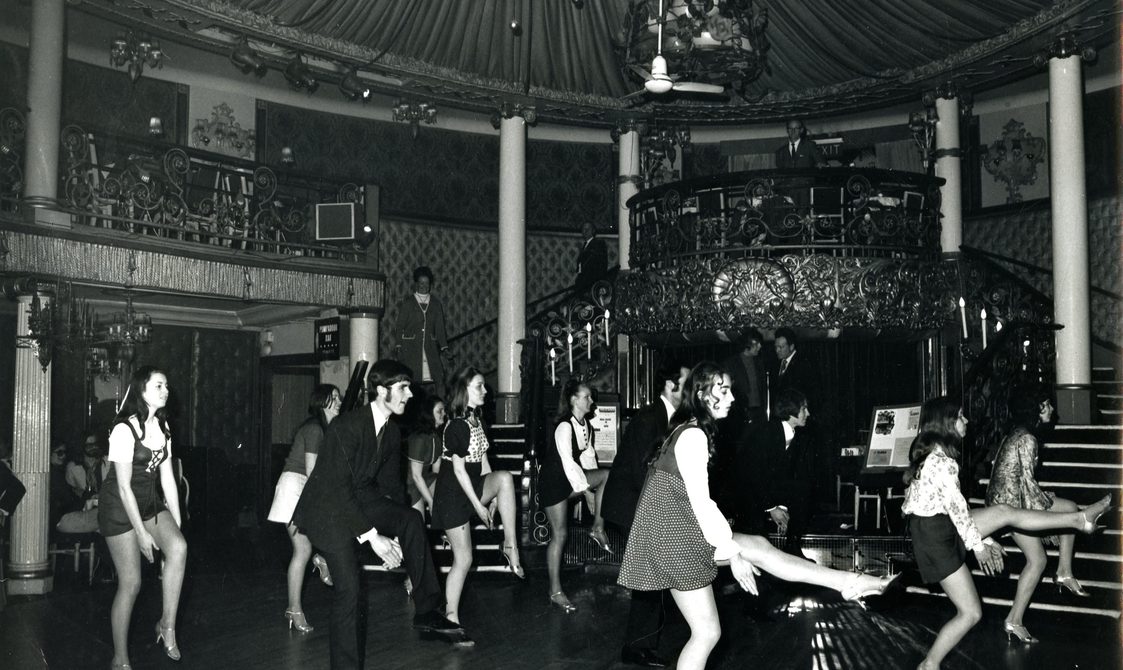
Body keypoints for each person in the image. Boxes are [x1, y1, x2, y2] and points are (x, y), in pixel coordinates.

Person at [618, 362, 896, 670]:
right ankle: (851, 582)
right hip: (674, 538)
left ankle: (850, 582)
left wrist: (734, 549)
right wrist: (733, 554)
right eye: (723, 390)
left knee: (758, 552)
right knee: (707, 632)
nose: (732, 398)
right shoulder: (693, 436)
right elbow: (700, 503)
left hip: (673, 534)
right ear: (700, 394)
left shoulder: (686, 430)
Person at [903, 396, 1111, 670]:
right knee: (971, 613)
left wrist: (985, 536)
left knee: (1004, 512)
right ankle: (929, 666)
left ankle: (1079, 519)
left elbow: (954, 508)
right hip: (935, 536)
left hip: (935, 528)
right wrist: (978, 546)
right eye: (961, 416)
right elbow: (953, 510)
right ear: (946, 423)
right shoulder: (942, 463)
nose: (966, 421)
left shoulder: (936, 458)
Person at [291, 359, 461, 670]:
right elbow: (338, 491)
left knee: (409, 518)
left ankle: (426, 610)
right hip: (327, 510)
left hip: (359, 499)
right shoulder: (347, 426)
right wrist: (374, 538)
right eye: (403, 388)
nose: (409, 395)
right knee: (350, 591)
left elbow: (392, 490)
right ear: (381, 391)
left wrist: (397, 534)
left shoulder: (393, 432)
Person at [986, 389, 1105, 642]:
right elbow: (1027, 486)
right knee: (1041, 555)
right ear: (1036, 410)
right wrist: (1046, 523)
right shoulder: (1027, 438)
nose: (1052, 409)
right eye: (1047, 404)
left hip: (1009, 499)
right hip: (1011, 504)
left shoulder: (1018, 433)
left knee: (1065, 514)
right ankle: (1019, 615)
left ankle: (1060, 575)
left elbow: (1023, 482)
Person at [98, 366, 188, 669]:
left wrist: (176, 523)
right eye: (159, 385)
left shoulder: (163, 429)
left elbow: (168, 482)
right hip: (119, 509)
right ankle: (120, 657)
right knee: (131, 583)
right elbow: (123, 488)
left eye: (166, 386)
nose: (166, 391)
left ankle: (167, 625)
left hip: (148, 504)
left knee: (179, 548)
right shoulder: (125, 429)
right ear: (142, 390)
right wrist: (141, 534)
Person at [603, 359, 690, 668]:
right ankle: (637, 648)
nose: (691, 389)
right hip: (629, 505)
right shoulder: (648, 418)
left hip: (639, 504)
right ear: (671, 386)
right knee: (649, 576)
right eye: (686, 382)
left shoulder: (671, 418)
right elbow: (643, 471)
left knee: (651, 575)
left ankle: (641, 644)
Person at [430, 367, 525, 644]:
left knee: (505, 478)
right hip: (452, 496)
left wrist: (494, 494)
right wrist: (479, 506)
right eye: (480, 386)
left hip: (472, 486)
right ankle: (450, 618)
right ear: (465, 390)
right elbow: (458, 472)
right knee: (465, 560)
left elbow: (483, 462)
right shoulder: (456, 425)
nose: (486, 391)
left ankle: (510, 546)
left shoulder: (477, 420)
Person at [266, 383, 341, 633]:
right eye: (335, 398)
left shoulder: (327, 430)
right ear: (323, 403)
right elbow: (311, 473)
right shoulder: (314, 429)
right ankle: (294, 608)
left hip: (304, 487)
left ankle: (319, 559)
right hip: (295, 486)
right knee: (302, 549)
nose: (340, 401)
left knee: (305, 547)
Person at [539, 379, 613, 613]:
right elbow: (568, 463)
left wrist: (591, 492)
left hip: (569, 480)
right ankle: (555, 591)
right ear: (573, 399)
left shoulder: (586, 426)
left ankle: (597, 528)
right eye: (587, 397)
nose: (591, 401)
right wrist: (586, 492)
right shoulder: (564, 426)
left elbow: (588, 459)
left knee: (606, 476)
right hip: (553, 482)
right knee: (559, 535)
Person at [735, 388, 815, 555]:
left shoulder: (798, 435)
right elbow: (753, 475)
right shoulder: (766, 432)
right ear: (792, 411)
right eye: (803, 408)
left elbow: (791, 477)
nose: (808, 413)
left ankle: (792, 550)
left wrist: (784, 507)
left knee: (803, 491)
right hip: (746, 494)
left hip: (766, 491)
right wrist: (772, 508)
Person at [394, 266, 451, 396]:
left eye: (426, 283)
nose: (423, 286)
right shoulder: (408, 303)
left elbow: (440, 328)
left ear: (430, 285)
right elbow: (400, 325)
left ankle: (440, 408)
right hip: (411, 348)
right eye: (420, 283)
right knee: (411, 381)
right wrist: (398, 345)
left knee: (439, 379)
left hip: (430, 348)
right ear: (416, 284)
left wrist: (444, 347)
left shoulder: (436, 304)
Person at [406, 394, 446, 519]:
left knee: (448, 488)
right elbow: (416, 476)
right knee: (418, 524)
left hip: (424, 480)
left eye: (444, 410)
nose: (444, 413)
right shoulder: (419, 438)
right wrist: (431, 501)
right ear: (429, 414)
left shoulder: (436, 437)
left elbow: (436, 472)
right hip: (409, 486)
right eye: (440, 411)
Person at [574, 221, 609, 293]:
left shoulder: (598, 243)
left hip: (591, 283)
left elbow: (599, 265)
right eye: (584, 229)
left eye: (588, 229)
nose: (586, 231)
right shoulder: (585, 245)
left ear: (593, 231)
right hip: (583, 283)